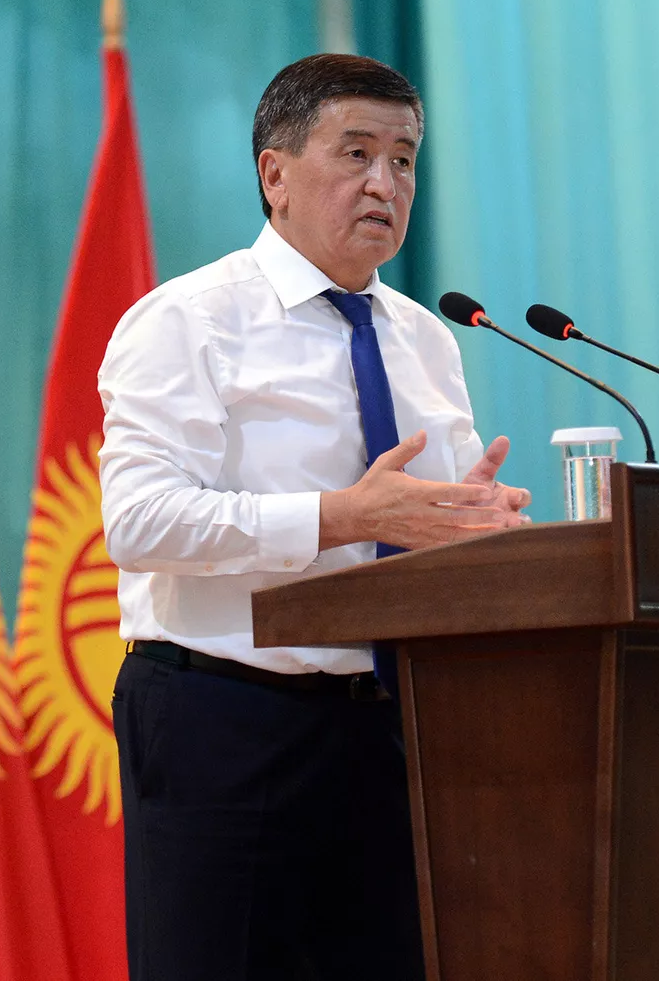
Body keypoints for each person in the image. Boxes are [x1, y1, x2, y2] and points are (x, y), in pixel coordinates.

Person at [98, 53, 532, 980]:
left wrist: (478, 526)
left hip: (393, 728)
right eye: (357, 153)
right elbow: (139, 521)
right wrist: (342, 516)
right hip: (226, 720)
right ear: (276, 174)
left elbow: (426, 523)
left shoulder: (427, 338)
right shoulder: (188, 320)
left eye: (405, 160)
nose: (386, 183)